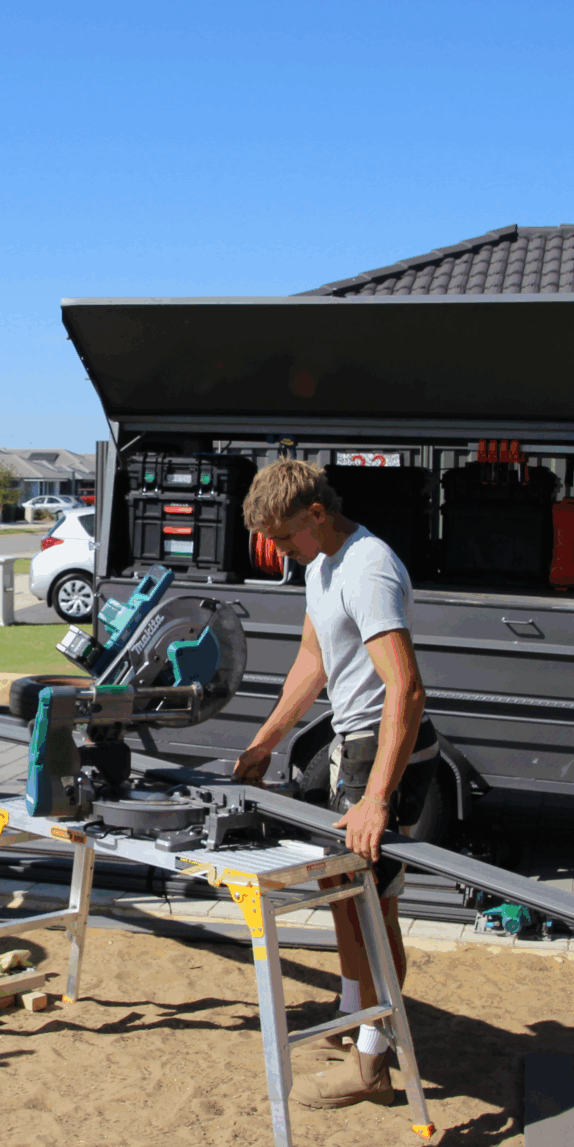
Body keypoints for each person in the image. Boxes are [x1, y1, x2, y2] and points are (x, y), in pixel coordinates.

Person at [229, 459, 439, 1109]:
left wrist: (377, 797)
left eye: (284, 538)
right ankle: (354, 1018)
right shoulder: (320, 566)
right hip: (349, 741)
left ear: (316, 514)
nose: (281, 553)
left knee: (371, 906)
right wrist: (264, 741)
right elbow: (312, 661)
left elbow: (406, 688)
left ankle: (372, 1062)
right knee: (340, 891)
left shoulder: (367, 568)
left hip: (386, 748)